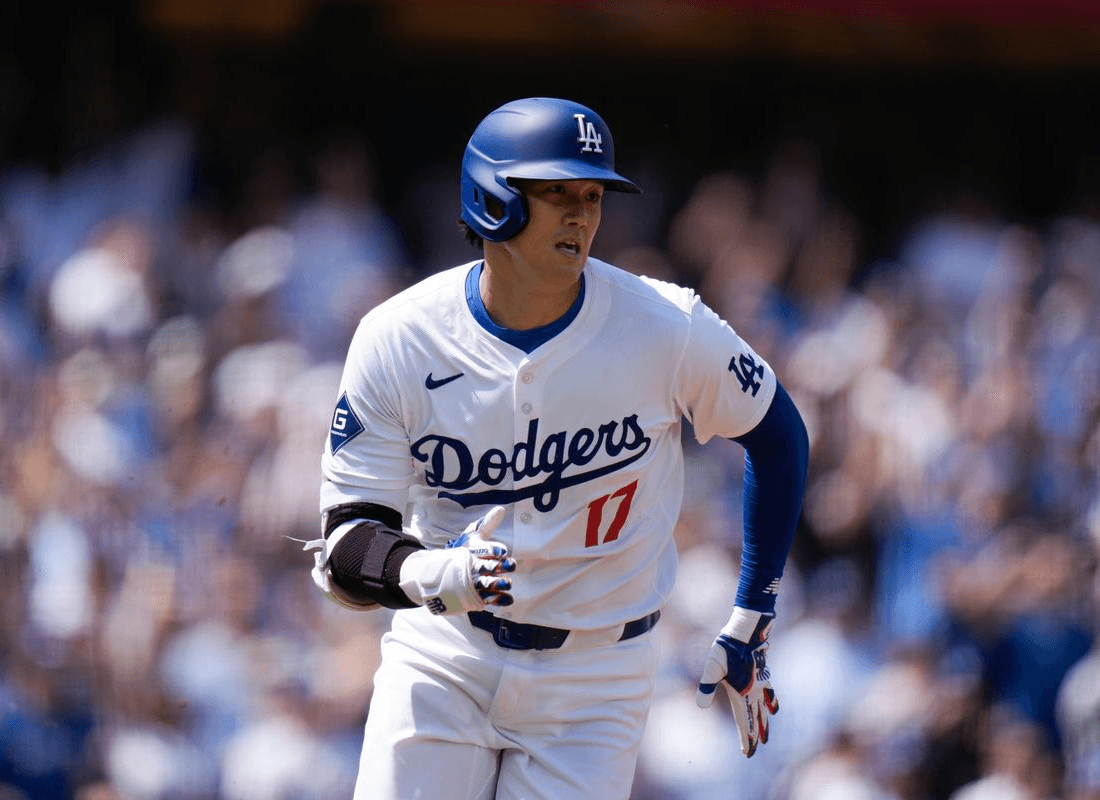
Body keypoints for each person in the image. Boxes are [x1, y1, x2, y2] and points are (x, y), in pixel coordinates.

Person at [306, 97, 809, 800]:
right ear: (491, 200)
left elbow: (780, 435)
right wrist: (435, 575)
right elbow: (347, 548)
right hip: (447, 656)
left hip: (597, 681)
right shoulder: (400, 336)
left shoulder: (666, 325)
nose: (582, 214)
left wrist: (754, 612)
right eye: (556, 193)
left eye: (593, 194)